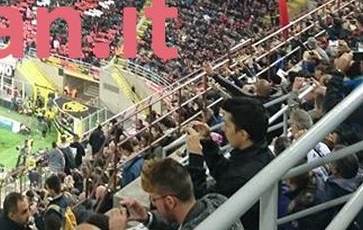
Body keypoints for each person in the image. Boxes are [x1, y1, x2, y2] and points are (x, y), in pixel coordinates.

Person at [186, 97, 274, 230]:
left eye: (227, 125)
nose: (223, 128)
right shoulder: (260, 153)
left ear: (243, 134)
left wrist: (195, 157)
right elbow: (224, 173)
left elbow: (202, 202)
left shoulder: (241, 176)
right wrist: (207, 142)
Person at [107, 157, 241, 230]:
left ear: (170, 201)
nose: (154, 205)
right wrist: (147, 218)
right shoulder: (217, 201)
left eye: (153, 199)